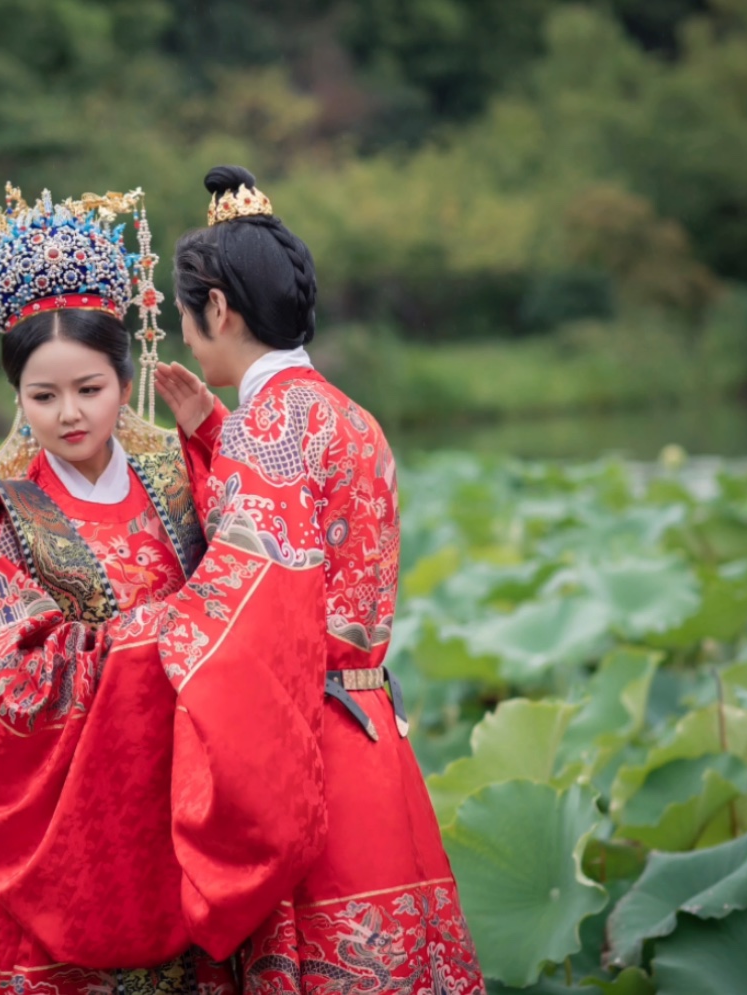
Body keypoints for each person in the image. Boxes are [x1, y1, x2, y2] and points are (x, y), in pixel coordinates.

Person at [142, 166, 487, 992]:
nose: (185, 336)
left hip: (312, 748)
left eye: (184, 317)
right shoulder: (345, 414)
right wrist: (207, 432)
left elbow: (252, 598)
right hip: (373, 726)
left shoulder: (268, 427)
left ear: (217, 309)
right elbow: (309, 534)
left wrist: (139, 634)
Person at [0, 185, 235, 992]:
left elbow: (247, 588)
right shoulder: (9, 517)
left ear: (124, 377)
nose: (69, 414)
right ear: (15, 397)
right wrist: (154, 637)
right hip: (80, 823)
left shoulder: (178, 480)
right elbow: (6, 680)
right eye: (43, 396)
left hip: (185, 803)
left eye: (89, 389)